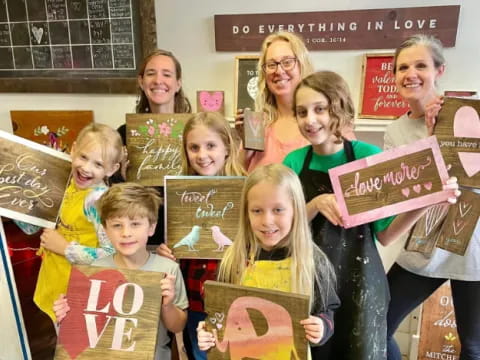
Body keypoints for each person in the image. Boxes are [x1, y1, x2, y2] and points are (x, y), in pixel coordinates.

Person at [283, 71, 459, 359]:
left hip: (361, 284)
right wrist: (315, 204)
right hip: (311, 285)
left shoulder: (367, 156)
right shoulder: (294, 161)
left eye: (320, 109)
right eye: (302, 112)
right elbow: (283, 228)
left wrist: (426, 201)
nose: (309, 120)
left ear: (338, 108)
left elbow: (386, 235)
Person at [384, 34, 480, 360]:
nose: (410, 73)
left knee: (473, 346)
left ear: (439, 70)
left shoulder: (469, 114)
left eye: (421, 65)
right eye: (402, 67)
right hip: (423, 248)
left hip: (471, 249)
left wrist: (444, 126)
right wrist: (429, 135)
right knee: (378, 323)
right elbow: (408, 192)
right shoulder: (395, 131)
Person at [196, 164, 340, 357]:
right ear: (246, 214)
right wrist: (207, 333)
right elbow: (218, 317)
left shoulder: (312, 262)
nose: (267, 220)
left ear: (295, 210)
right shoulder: (233, 260)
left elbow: (328, 310)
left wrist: (321, 326)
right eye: (257, 211)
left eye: (278, 210)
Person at [53, 183, 188, 360]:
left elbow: (177, 327)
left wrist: (167, 305)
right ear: (105, 229)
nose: (126, 233)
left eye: (135, 224)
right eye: (117, 225)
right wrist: (66, 315)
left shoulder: (167, 269)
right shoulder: (94, 269)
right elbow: (83, 330)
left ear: (151, 227)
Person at [157, 111, 247, 359]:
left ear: (227, 148)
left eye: (210, 146)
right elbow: (175, 244)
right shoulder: (178, 193)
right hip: (195, 298)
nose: (202, 155)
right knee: (201, 353)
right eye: (194, 147)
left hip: (236, 296)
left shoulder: (246, 188)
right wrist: (167, 253)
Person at [34, 123, 123, 322]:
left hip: (83, 293)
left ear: (111, 169)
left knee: (77, 346)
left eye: (98, 164)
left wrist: (65, 248)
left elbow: (112, 255)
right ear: (73, 150)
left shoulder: (98, 201)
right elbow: (35, 221)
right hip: (55, 280)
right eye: (83, 157)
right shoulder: (64, 183)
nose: (86, 168)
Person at [113, 49, 193, 245]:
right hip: (141, 238)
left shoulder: (196, 130)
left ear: (178, 84)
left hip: (187, 232)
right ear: (141, 82)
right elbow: (111, 195)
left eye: (167, 74)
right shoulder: (124, 134)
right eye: (151, 73)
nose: (158, 80)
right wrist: (121, 177)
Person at [238, 31, 312, 172]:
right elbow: (236, 180)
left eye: (287, 62)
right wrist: (246, 147)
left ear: (302, 65)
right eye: (271, 65)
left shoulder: (323, 121)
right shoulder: (257, 125)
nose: (279, 70)